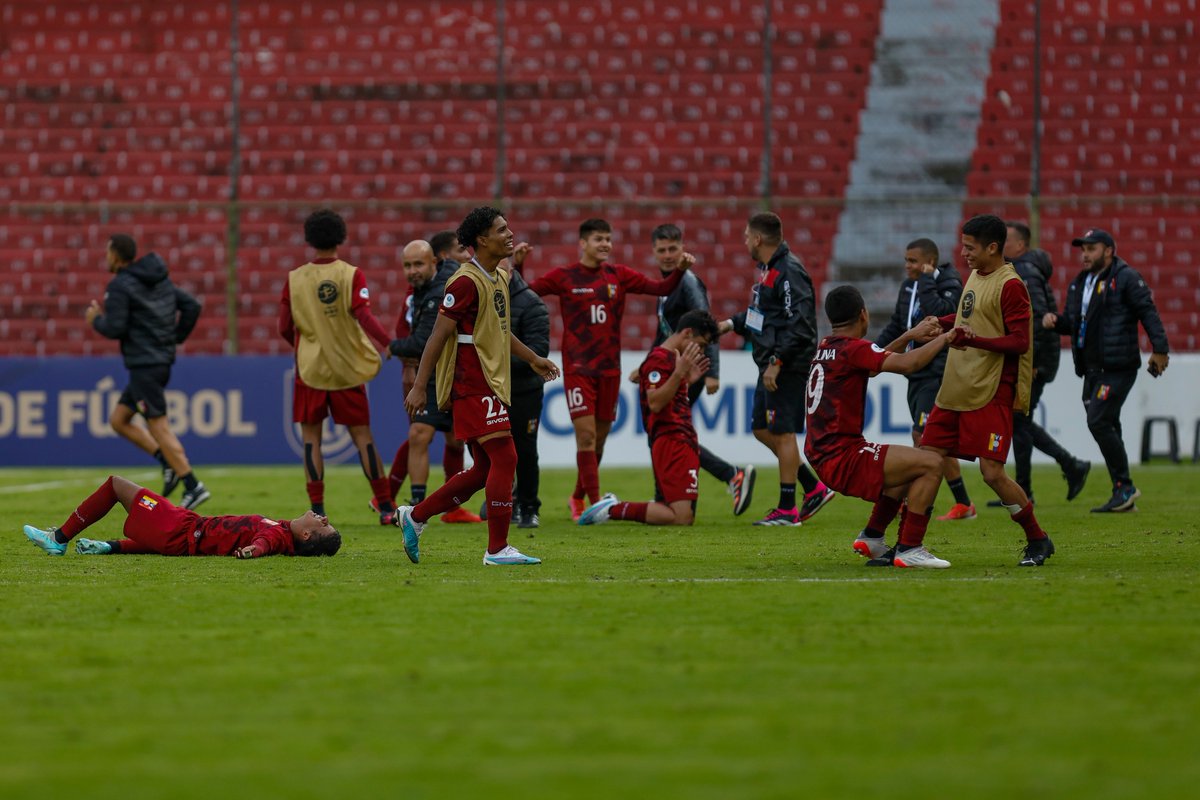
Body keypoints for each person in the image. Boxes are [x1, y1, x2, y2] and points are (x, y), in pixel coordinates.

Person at [396, 207, 560, 565]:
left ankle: (416, 515)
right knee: (507, 456)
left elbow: (499, 331)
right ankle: (497, 548)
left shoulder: (498, 277)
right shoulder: (464, 282)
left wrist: (533, 358)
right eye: (502, 229)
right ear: (482, 240)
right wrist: (420, 385)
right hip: (471, 383)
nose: (510, 233)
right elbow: (437, 338)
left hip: (491, 382)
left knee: (483, 471)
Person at [525, 218, 688, 520]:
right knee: (585, 436)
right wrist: (520, 266)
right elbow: (526, 292)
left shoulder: (619, 276)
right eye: (598, 239)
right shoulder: (565, 276)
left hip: (610, 370)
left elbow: (661, 286)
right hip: (578, 368)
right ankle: (597, 502)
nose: (604, 244)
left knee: (598, 439)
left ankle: (577, 497)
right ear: (583, 243)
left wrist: (680, 269)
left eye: (608, 239)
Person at [920, 214, 1055, 567]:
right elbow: (969, 319)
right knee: (926, 459)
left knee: (992, 473)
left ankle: (1038, 539)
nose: (963, 253)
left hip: (991, 388)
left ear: (992, 248)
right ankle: (901, 543)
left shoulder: (1011, 285)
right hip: (958, 384)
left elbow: (1020, 341)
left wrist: (972, 339)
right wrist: (943, 324)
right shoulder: (976, 276)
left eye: (970, 247)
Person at [806, 286, 959, 568]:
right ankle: (910, 547)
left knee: (905, 471)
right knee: (932, 463)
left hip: (824, 454)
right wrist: (948, 338)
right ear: (863, 315)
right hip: (842, 456)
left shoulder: (827, 346)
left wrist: (910, 335)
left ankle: (873, 537)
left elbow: (873, 366)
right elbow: (908, 364)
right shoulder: (854, 349)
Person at [716, 212, 834, 526]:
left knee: (782, 432)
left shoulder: (789, 271)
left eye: (745, 236)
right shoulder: (770, 270)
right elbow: (763, 316)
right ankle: (813, 488)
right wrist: (730, 324)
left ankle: (787, 509)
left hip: (786, 365)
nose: (744, 241)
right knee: (761, 428)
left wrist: (777, 362)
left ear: (757, 238)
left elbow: (801, 325)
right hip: (771, 362)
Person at [278, 208, 395, 524]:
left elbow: (284, 327)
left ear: (309, 239)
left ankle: (317, 509)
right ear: (340, 237)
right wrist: (389, 344)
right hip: (346, 369)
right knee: (363, 436)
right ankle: (385, 507)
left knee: (311, 438)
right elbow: (363, 314)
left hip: (310, 371)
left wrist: (307, 349)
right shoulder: (351, 274)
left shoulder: (295, 278)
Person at [631, 224, 756, 515]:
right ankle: (670, 492)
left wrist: (713, 372)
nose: (667, 255)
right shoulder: (668, 285)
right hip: (675, 366)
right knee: (667, 431)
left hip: (691, 368)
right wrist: (646, 362)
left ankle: (727, 475)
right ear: (653, 252)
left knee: (668, 430)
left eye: (672, 249)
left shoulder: (687, 282)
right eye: (661, 250)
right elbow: (665, 333)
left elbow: (705, 326)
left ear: (682, 247)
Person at [1044, 227, 1170, 512]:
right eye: (1083, 250)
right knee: (1108, 423)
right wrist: (1057, 322)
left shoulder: (1126, 277)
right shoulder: (1080, 283)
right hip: (1091, 368)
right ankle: (1122, 492)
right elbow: (1078, 323)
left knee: (1098, 420)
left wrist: (1160, 349)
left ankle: (1125, 487)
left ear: (1108, 251)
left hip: (1118, 366)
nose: (1085, 255)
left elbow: (1147, 311)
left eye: (1091, 249)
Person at [85, 234, 208, 509]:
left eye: (107, 252)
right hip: (159, 362)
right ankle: (167, 461)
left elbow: (115, 327)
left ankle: (192, 484)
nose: (106, 257)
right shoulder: (158, 279)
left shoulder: (120, 286)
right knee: (119, 419)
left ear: (116, 256)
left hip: (144, 365)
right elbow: (192, 305)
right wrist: (175, 337)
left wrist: (96, 320)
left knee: (158, 425)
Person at [579, 311, 719, 527]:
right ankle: (611, 508)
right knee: (681, 517)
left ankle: (613, 507)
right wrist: (679, 374)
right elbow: (655, 402)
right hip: (672, 440)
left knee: (682, 515)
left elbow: (672, 400)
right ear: (687, 333)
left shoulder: (673, 360)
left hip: (682, 438)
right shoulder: (659, 359)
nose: (700, 350)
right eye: (700, 344)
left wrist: (687, 381)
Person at [986, 221, 1091, 506]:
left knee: (1019, 421)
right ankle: (1025, 488)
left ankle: (1070, 465)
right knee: (1019, 422)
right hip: (1035, 358)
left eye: (1005, 241)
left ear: (1020, 245)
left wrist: (1029, 361)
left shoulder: (1025, 272)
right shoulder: (1026, 270)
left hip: (1033, 360)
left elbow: (1037, 319)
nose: (1000, 245)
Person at [873, 237, 977, 521]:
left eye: (913, 261)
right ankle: (964, 504)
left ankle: (907, 500)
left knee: (924, 437)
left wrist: (929, 279)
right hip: (915, 372)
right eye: (906, 260)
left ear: (929, 262)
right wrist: (877, 352)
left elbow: (942, 314)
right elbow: (899, 322)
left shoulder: (950, 282)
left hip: (938, 369)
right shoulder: (908, 286)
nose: (907, 266)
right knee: (931, 439)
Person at [381, 238, 480, 524]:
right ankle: (417, 504)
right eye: (407, 266)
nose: (412, 271)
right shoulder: (423, 289)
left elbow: (424, 341)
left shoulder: (439, 291)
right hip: (438, 372)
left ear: (434, 262)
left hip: (447, 374)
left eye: (418, 264)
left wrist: (394, 348)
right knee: (419, 435)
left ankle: (449, 507)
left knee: (451, 439)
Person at [23, 475, 341, 558]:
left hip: (180, 527)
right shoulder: (282, 529)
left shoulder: (278, 536)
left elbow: (263, 544)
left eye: (325, 526)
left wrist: (251, 551)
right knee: (121, 491)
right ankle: (107, 546)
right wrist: (113, 546)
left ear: (307, 536)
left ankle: (58, 539)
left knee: (115, 485)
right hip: (183, 529)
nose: (324, 518)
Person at [507, 252, 551, 528]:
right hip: (492, 391)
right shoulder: (482, 301)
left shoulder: (531, 304)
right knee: (492, 452)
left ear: (509, 272)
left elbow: (538, 354)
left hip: (524, 392)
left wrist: (492, 363)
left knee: (524, 450)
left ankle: (528, 506)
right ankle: (502, 503)